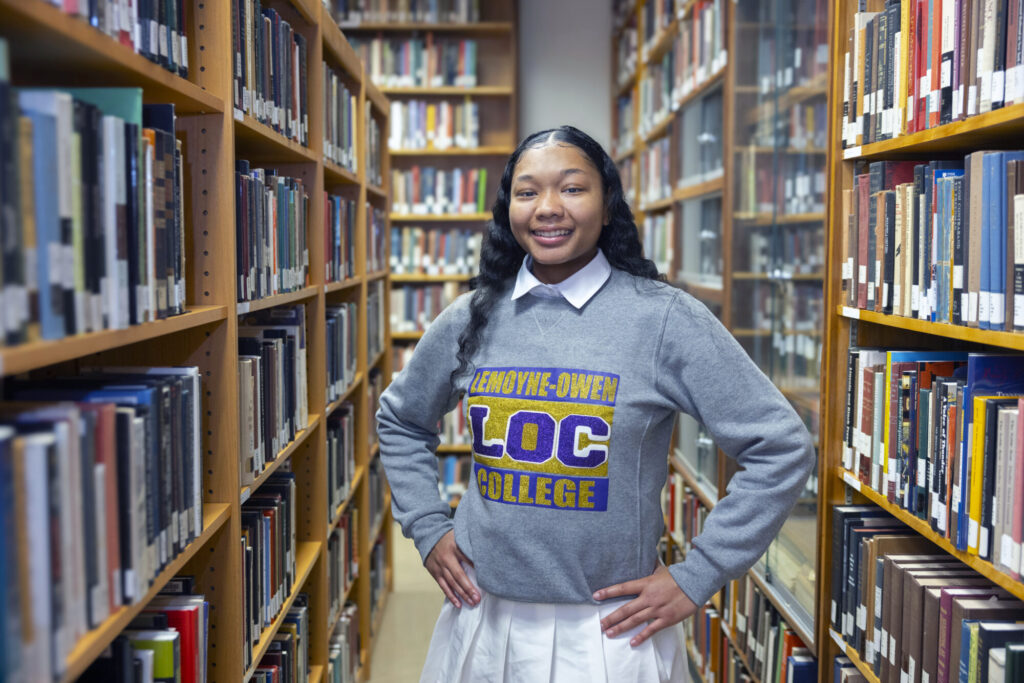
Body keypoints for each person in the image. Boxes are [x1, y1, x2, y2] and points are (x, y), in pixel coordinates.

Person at [376, 125, 815, 682]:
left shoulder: (663, 319)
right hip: (482, 620)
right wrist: (426, 524)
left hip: (610, 635)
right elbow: (401, 419)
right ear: (508, 208)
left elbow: (780, 446)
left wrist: (697, 574)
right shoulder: (472, 316)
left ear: (608, 206)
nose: (548, 209)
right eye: (528, 192)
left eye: (573, 189)